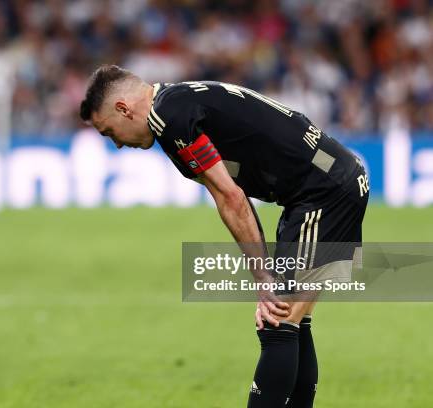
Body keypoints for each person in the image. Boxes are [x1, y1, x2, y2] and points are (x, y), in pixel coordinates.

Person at [79, 65, 368, 408]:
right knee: (294, 320)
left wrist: (263, 277)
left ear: (124, 109)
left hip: (323, 192)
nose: (117, 144)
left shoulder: (168, 117)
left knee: (277, 320)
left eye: (110, 132)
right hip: (327, 183)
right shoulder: (177, 100)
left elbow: (231, 197)